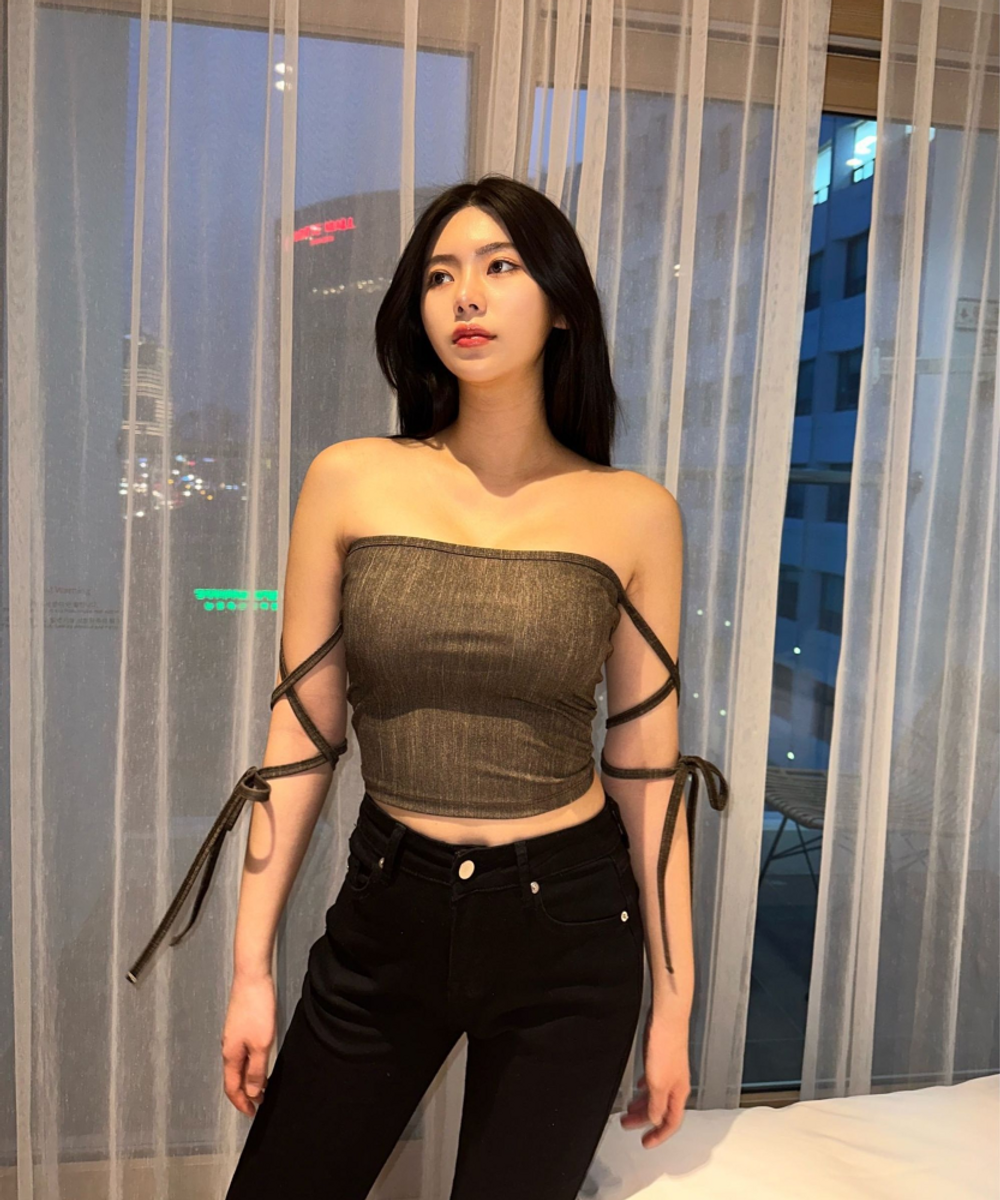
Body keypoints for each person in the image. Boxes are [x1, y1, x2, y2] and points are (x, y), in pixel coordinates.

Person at [126, 174, 729, 1200]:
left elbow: (646, 771)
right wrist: (250, 966)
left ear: (562, 304)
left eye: (500, 267)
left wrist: (672, 1006)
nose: (466, 296)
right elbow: (301, 736)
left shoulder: (633, 512)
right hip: (387, 911)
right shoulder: (351, 478)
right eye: (441, 275)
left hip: (570, 931)